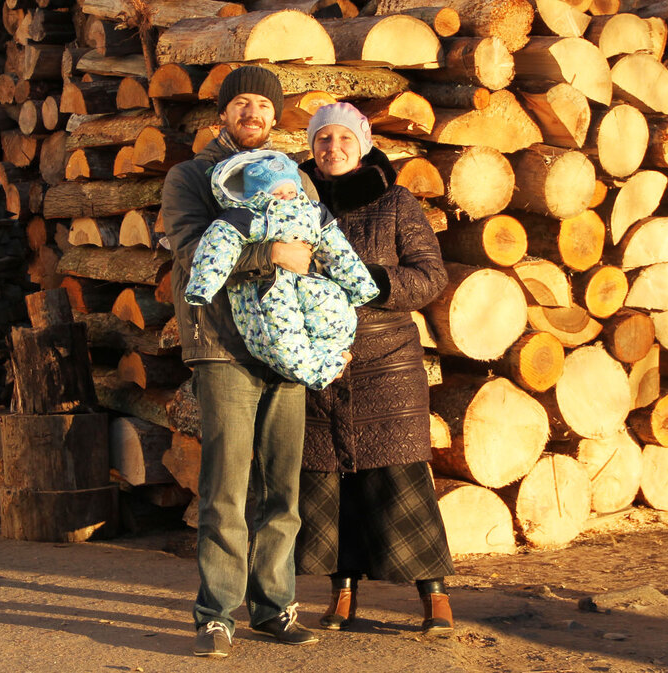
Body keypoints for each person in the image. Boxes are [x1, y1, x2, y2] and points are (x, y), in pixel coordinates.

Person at [161, 66, 320, 658]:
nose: (252, 113)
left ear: (276, 117)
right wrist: (270, 252)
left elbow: (320, 250)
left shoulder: (296, 178)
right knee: (226, 487)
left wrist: (327, 337)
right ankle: (216, 613)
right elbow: (191, 247)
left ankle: (274, 608)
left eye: (262, 105)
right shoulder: (191, 177)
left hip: (286, 350)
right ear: (222, 115)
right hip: (222, 346)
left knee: (283, 487)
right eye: (241, 103)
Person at [294, 102, 457, 636]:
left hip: (386, 364)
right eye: (322, 139)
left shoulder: (394, 203)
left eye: (343, 139)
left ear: (362, 145)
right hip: (319, 364)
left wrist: (370, 281)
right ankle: (342, 592)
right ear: (312, 147)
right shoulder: (295, 203)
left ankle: (434, 594)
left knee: (399, 475)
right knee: (330, 482)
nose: (332, 148)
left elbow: (429, 276)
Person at [184, 148, 379, 390]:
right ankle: (316, 371)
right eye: (276, 192)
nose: (286, 197)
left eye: (290, 190)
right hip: (269, 287)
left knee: (336, 316)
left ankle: (332, 358)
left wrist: (360, 284)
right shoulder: (247, 217)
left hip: (310, 283)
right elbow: (216, 249)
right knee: (282, 337)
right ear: (256, 195)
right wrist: (203, 286)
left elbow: (338, 250)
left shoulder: (312, 211)